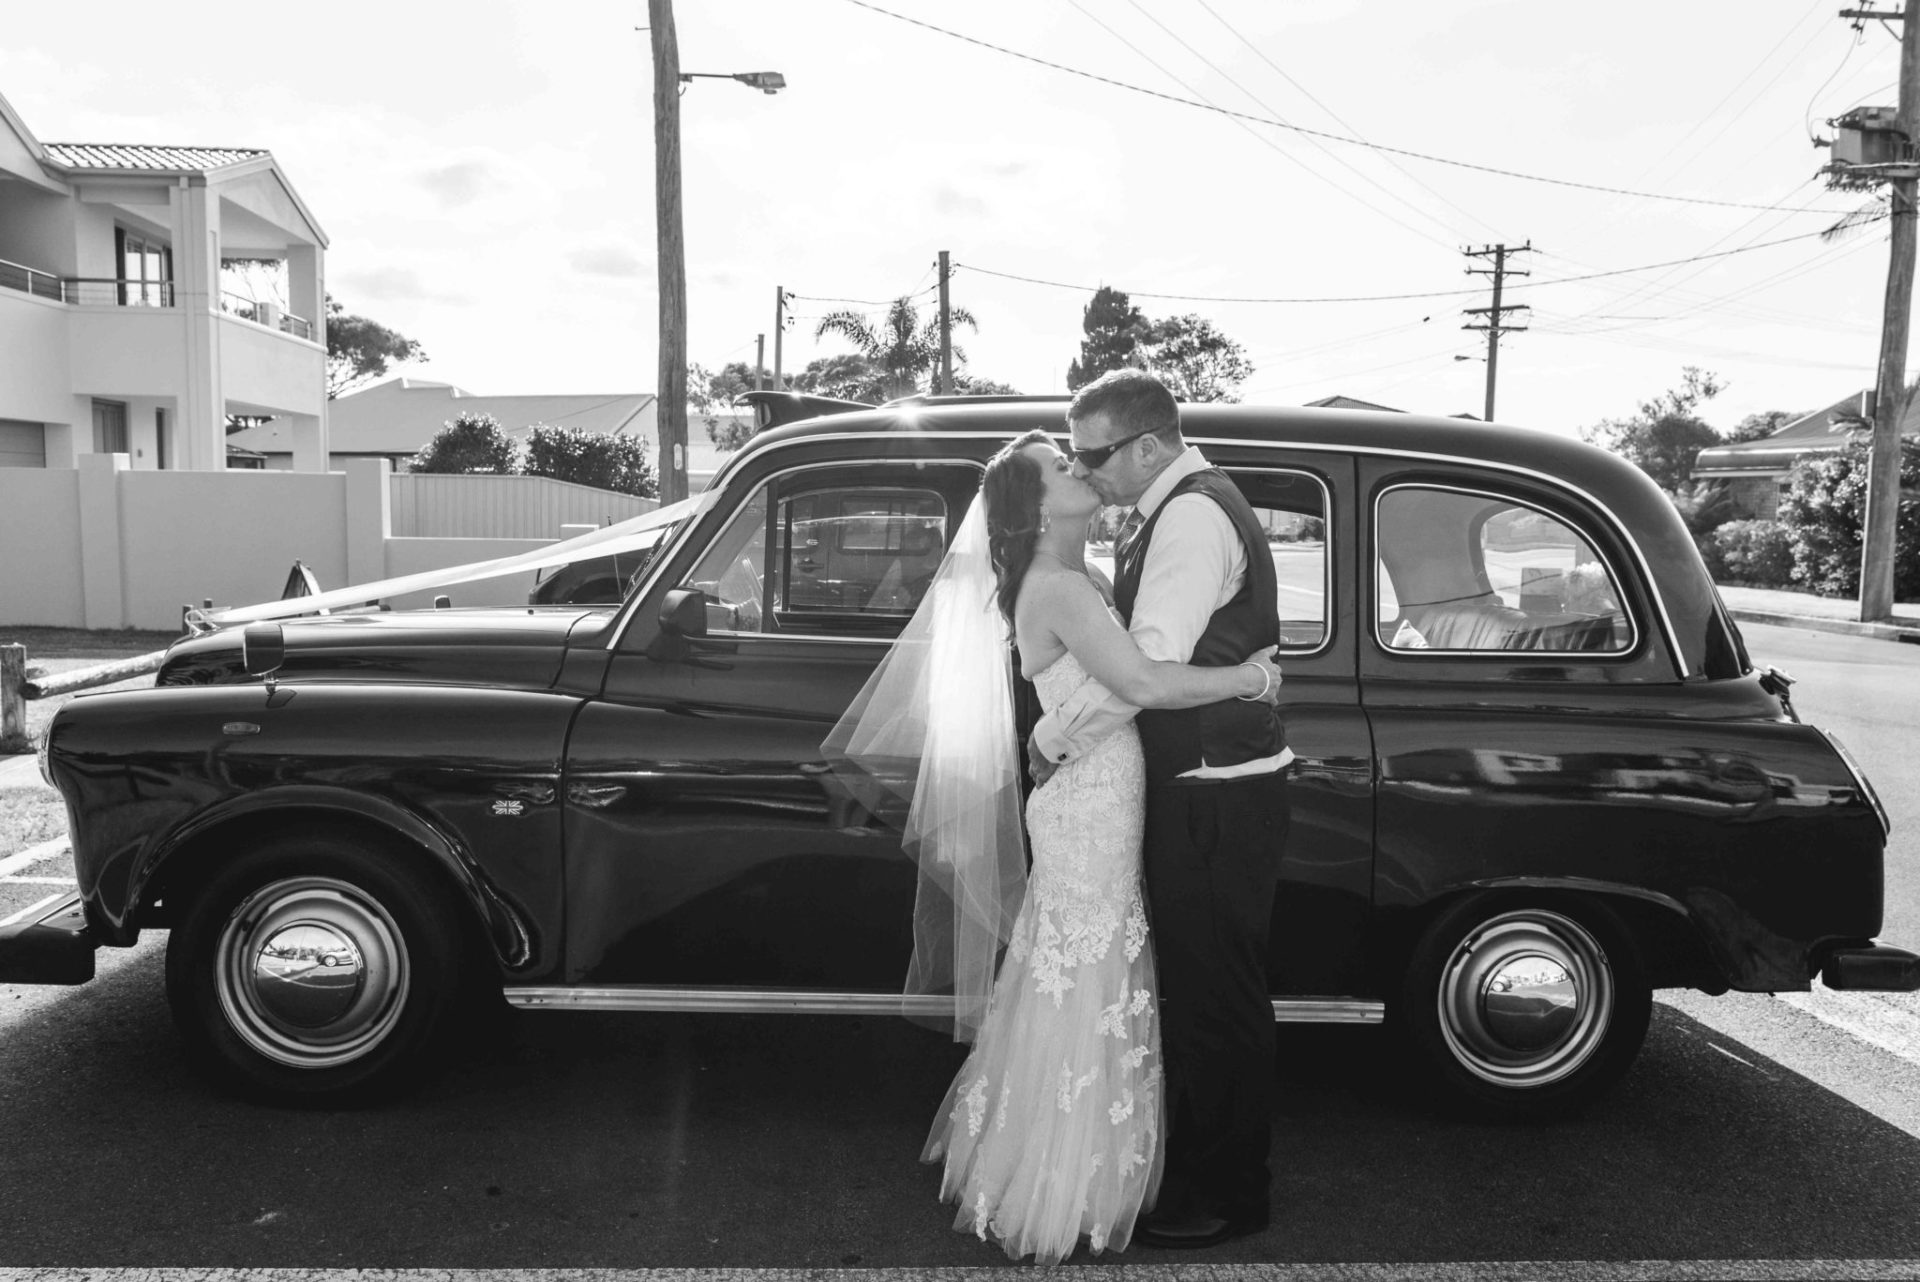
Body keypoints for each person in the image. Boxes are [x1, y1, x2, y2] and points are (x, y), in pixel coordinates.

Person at [825, 428, 1281, 1265]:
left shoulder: (1084, 578)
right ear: (1033, 507)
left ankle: (1079, 1162)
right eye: (1060, 467)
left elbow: (1114, 684)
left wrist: (1059, 736)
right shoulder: (1059, 587)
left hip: (1101, 795)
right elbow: (1141, 684)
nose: (1080, 469)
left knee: (1084, 965)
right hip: (1087, 806)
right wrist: (1253, 677)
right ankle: (1062, 1181)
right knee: (1087, 968)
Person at [1030, 368, 1292, 1250]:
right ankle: (1204, 1173)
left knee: (1216, 995)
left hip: (1214, 791)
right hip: (1206, 786)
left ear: (1148, 444)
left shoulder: (1188, 519)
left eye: (1094, 454)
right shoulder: (1170, 509)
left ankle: (1227, 1195)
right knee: (1204, 989)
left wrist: (1054, 741)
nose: (1086, 469)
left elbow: (1143, 672)